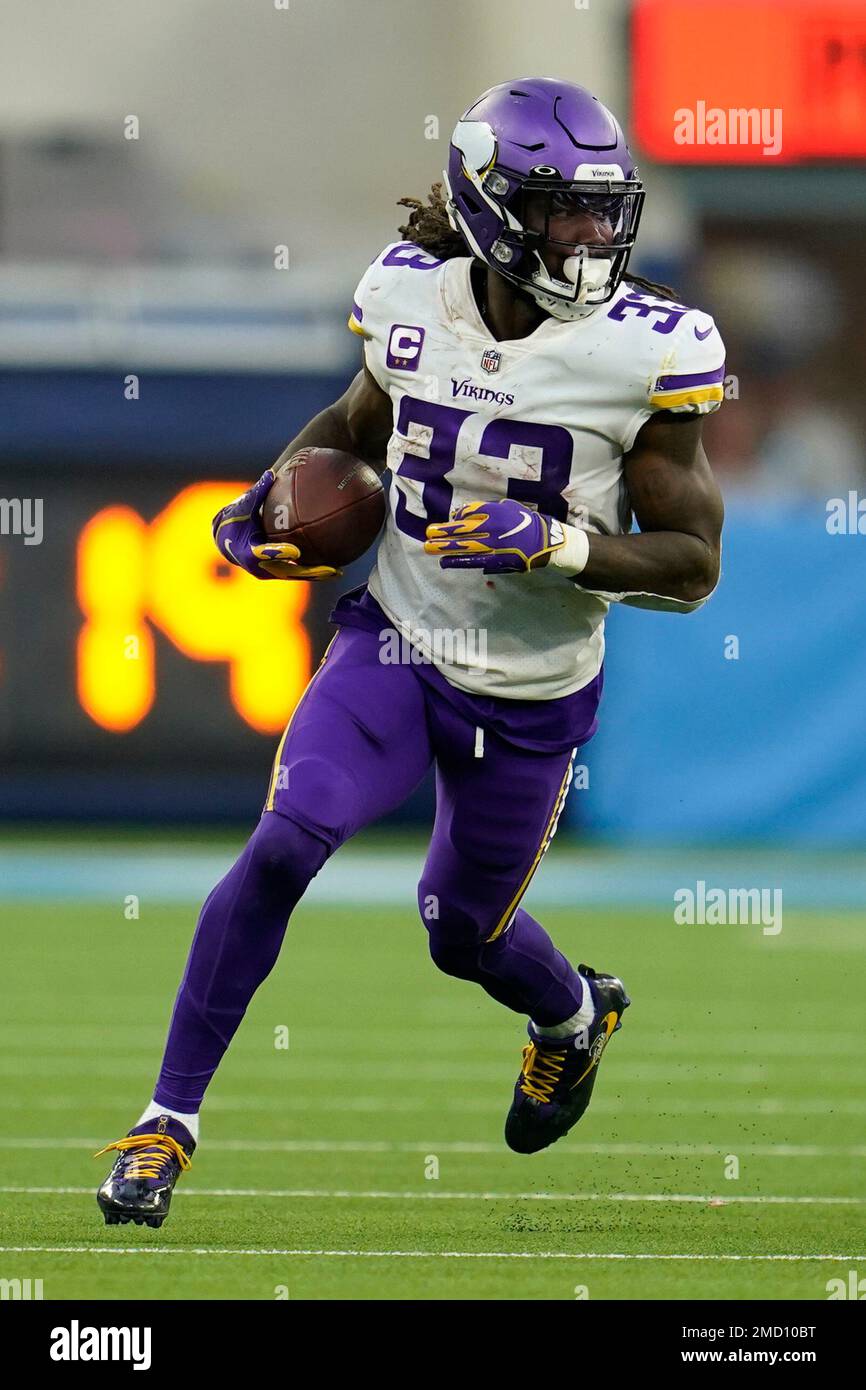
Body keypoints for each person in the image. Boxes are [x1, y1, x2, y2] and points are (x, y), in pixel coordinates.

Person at [95, 77, 725, 1228]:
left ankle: (572, 1015)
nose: (589, 237)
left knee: (459, 931)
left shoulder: (648, 351)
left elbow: (690, 566)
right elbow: (350, 429)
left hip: (531, 692)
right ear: (488, 207)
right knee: (285, 843)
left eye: (601, 211)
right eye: (558, 209)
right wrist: (264, 507)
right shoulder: (405, 295)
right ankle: (164, 1121)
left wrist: (563, 541)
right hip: (393, 641)